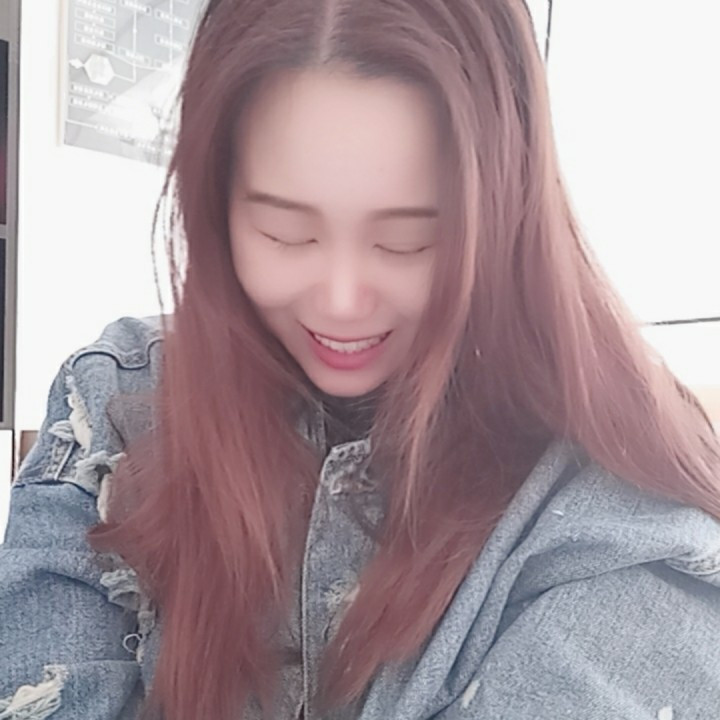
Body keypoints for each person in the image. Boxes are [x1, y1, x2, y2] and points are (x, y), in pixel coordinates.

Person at [2, 1, 720, 718]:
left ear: (508, 217)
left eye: (408, 242)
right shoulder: (118, 396)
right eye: (284, 232)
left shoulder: (622, 511)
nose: (342, 303)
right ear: (215, 207)